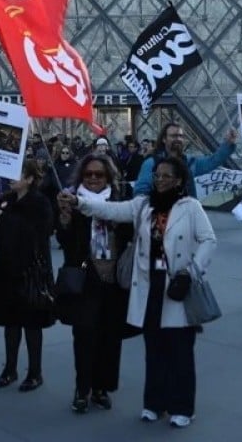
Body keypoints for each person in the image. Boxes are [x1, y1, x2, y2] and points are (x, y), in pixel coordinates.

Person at [68, 156, 216, 429]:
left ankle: (183, 406)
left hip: (177, 284)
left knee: (180, 349)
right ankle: (154, 404)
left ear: (179, 180)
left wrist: (192, 270)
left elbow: (209, 239)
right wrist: (79, 203)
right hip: (149, 285)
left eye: (166, 176)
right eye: (157, 176)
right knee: (154, 347)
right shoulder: (143, 206)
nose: (160, 180)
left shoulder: (191, 207)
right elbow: (111, 210)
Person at [55, 153, 137, 414]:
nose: (92, 178)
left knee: (110, 337)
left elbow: (131, 233)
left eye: (98, 174)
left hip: (113, 279)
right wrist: (65, 220)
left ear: (108, 177)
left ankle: (102, 388)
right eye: (88, 174)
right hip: (85, 274)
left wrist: (116, 224)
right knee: (84, 335)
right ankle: (83, 389)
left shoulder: (119, 202)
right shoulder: (70, 199)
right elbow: (66, 243)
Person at [0, 159, 55, 392]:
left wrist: (5, 218)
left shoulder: (39, 202)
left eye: (19, 173)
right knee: (10, 321)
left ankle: (35, 372)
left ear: (30, 179)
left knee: (32, 324)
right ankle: (10, 368)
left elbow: (38, 232)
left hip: (30, 269)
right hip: (6, 268)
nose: (12, 177)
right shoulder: (6, 199)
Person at [134, 123, 238, 197]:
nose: (178, 139)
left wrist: (228, 143)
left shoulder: (190, 162)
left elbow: (212, 161)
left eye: (181, 136)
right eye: (174, 136)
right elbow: (141, 192)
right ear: (164, 139)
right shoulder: (151, 163)